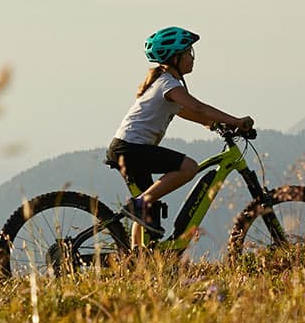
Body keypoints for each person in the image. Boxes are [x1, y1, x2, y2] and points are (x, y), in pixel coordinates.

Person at [106, 26, 254, 237]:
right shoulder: (168, 83)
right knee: (188, 168)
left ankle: (135, 260)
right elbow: (198, 107)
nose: (192, 58)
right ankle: (138, 205)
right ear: (175, 57)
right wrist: (235, 121)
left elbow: (185, 112)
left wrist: (213, 125)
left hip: (127, 148)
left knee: (148, 211)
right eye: (188, 53)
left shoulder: (165, 83)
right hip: (131, 149)